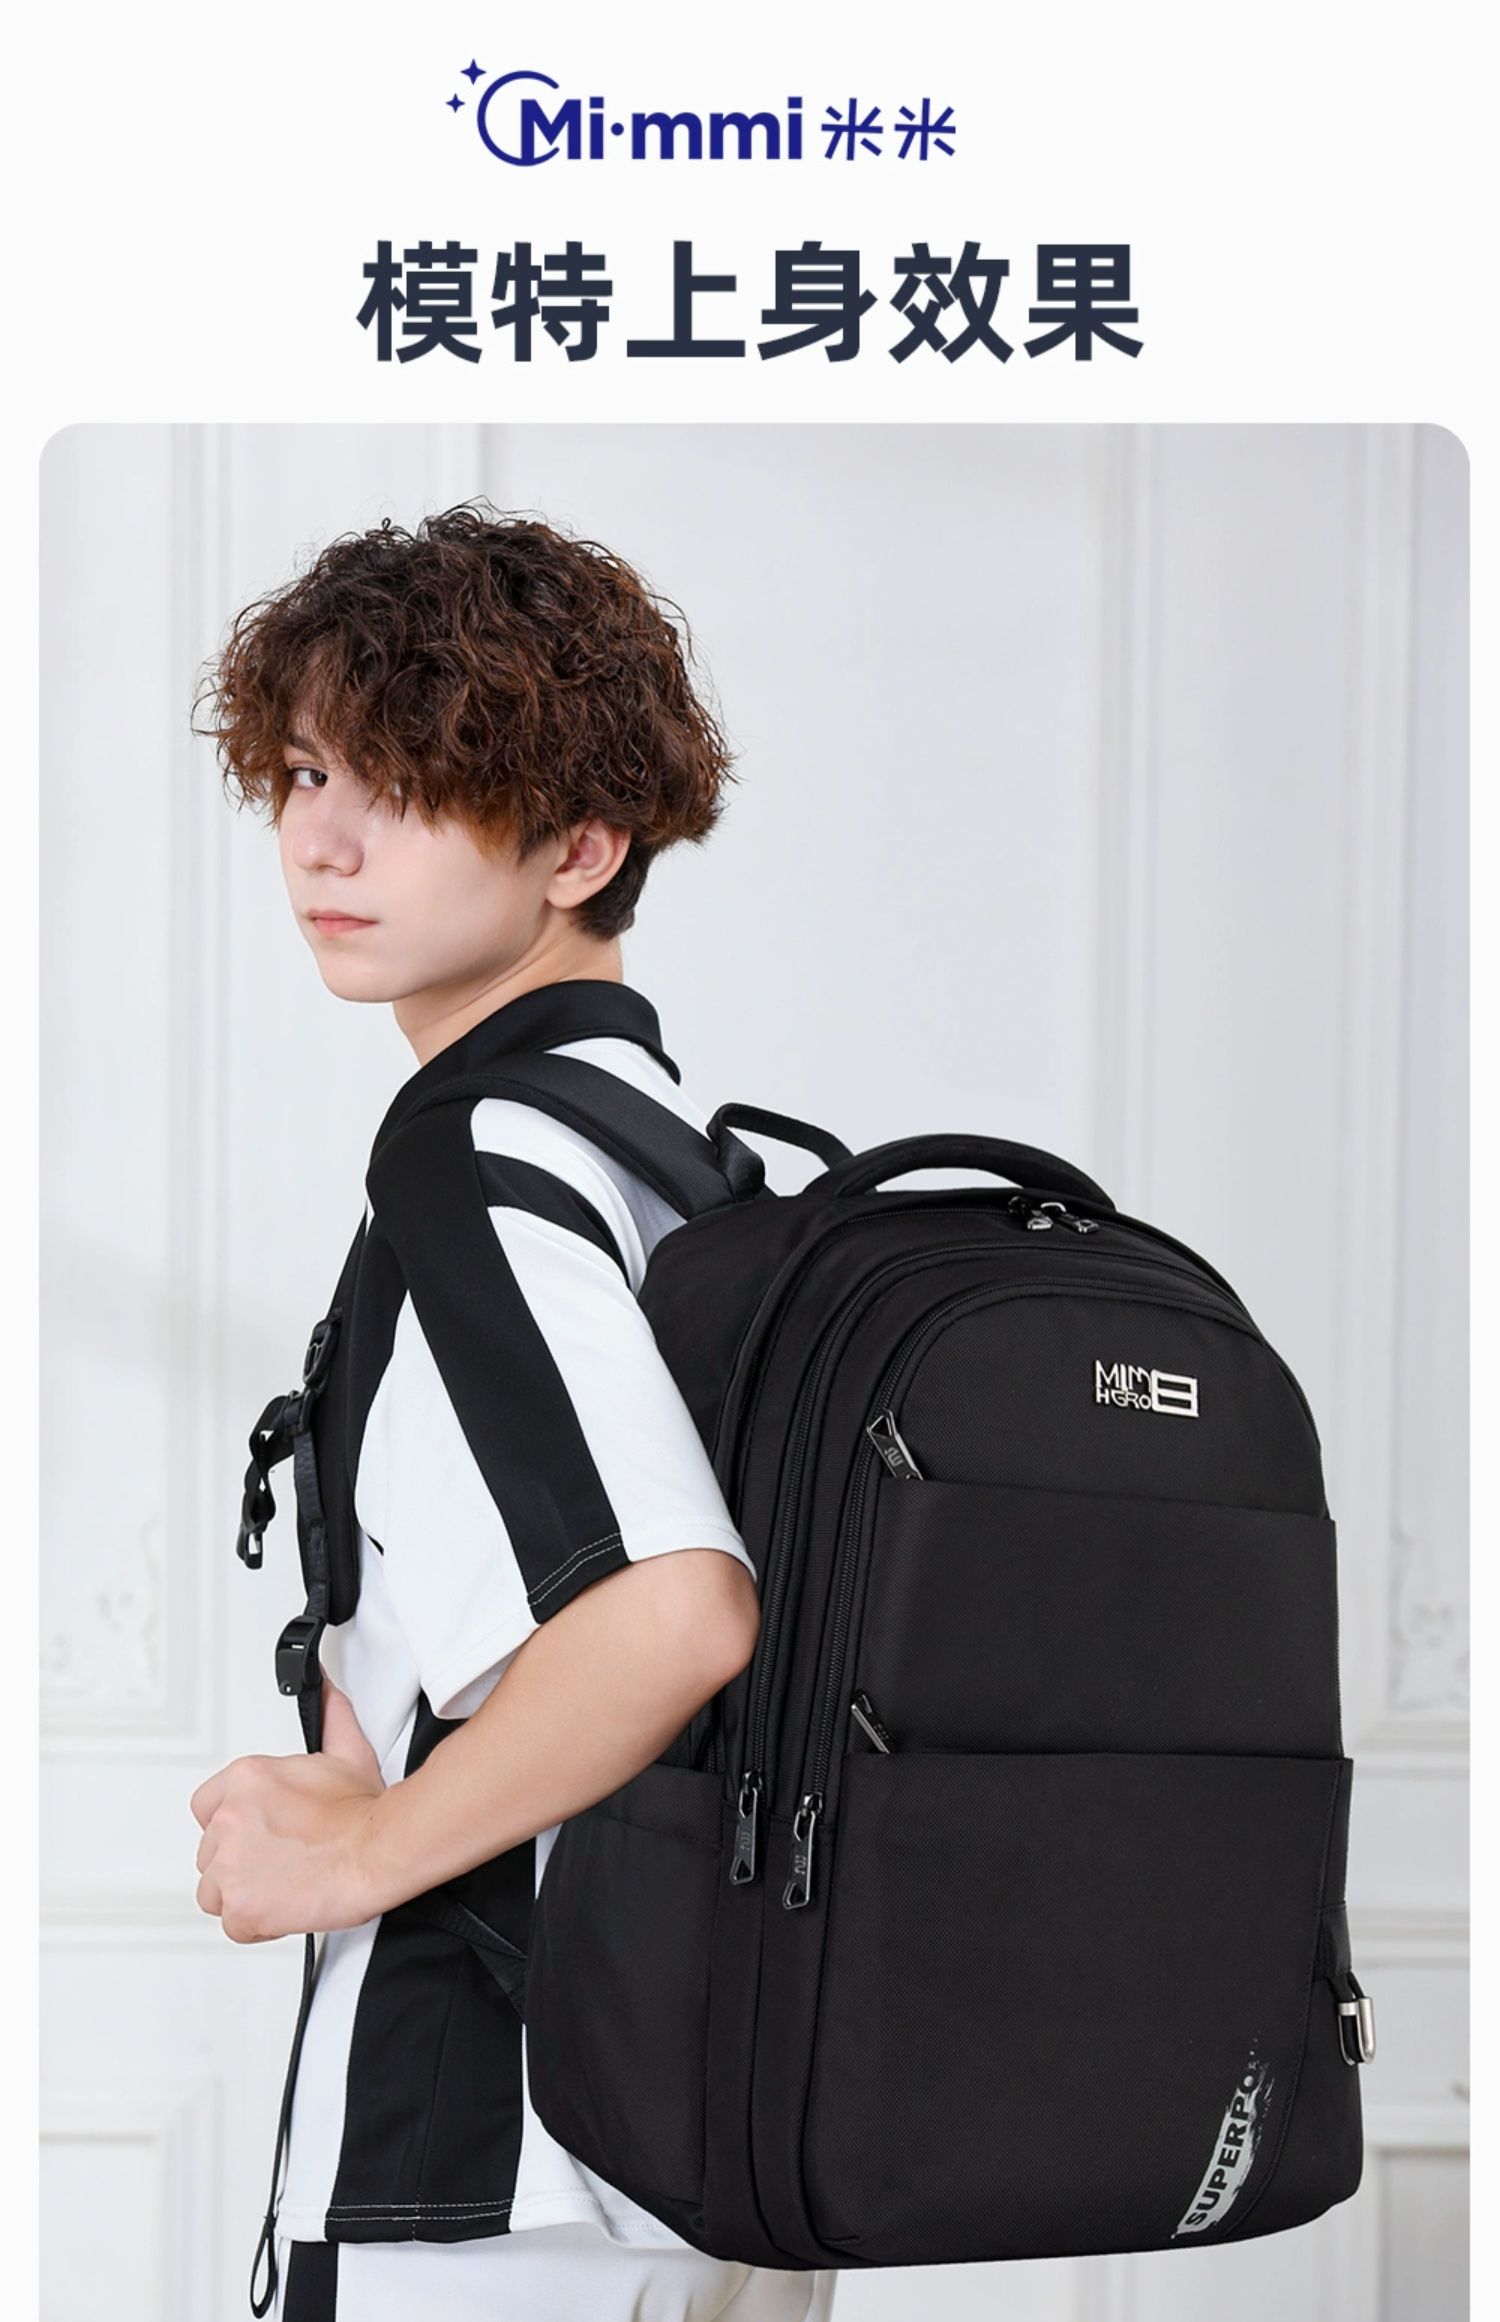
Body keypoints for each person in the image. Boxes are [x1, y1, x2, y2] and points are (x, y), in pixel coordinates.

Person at [186, 504, 840, 2322]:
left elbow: (675, 1611)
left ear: (581, 844)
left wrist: (358, 1848)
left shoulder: (479, 1158)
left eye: (400, 782)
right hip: (712, 2128)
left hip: (493, 2170)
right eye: (304, 770)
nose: (321, 837)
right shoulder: (683, 1161)